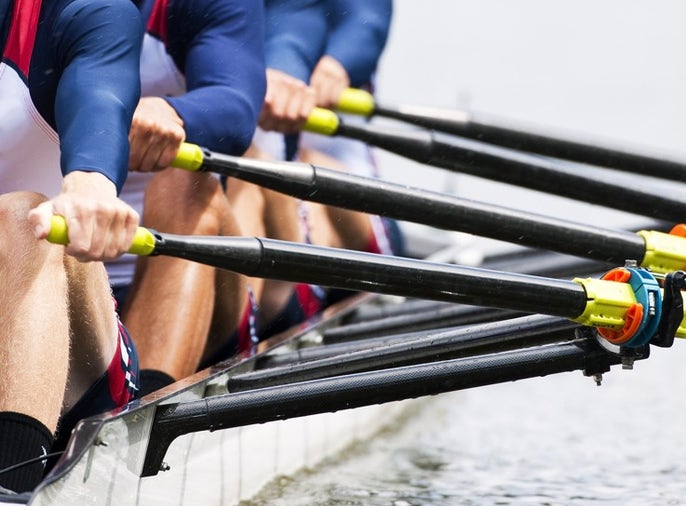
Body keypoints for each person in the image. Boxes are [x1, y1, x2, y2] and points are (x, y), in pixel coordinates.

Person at [0, 0, 143, 492]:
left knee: (24, 216)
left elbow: (99, 98)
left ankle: (12, 480)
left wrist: (91, 185)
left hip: (75, 351)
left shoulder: (87, 13)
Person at [107, 0, 266, 395]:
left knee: (184, 181)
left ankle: (143, 411)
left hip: (173, 274)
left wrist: (173, 112)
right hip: (54, 264)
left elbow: (237, 107)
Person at [228, 0, 399, 339]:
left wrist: (336, 68)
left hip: (350, 204)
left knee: (286, 164)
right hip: (260, 191)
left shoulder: (301, 15)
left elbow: (367, 23)